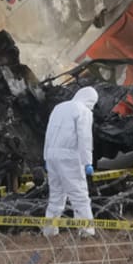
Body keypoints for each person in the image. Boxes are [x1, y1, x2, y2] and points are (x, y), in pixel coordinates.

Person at [42, 87, 98, 237]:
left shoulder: (59, 107)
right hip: (69, 156)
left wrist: (46, 157)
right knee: (79, 195)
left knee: (56, 195)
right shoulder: (83, 111)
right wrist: (88, 162)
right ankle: (86, 231)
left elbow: (48, 132)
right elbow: (84, 138)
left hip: (52, 155)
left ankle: (49, 231)